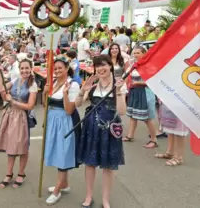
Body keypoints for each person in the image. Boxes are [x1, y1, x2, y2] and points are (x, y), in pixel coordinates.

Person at [75, 55, 127, 208]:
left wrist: (118, 91)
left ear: (110, 66)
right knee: (90, 164)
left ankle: (105, 200)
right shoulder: (93, 84)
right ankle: (89, 196)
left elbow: (122, 111)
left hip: (110, 128)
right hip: (91, 127)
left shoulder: (118, 84)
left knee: (108, 166)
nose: (100, 69)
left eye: (103, 65)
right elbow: (78, 104)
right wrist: (82, 90)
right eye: (97, 66)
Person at [42, 57, 81, 205]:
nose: (57, 71)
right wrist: (45, 93)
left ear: (66, 68)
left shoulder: (73, 84)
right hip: (53, 121)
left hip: (65, 122)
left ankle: (57, 190)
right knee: (58, 152)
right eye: (55, 68)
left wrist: (65, 93)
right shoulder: (52, 83)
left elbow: (69, 109)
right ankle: (64, 184)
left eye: (60, 68)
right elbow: (45, 105)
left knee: (63, 154)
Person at [0, 59, 38, 189]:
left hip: (22, 117)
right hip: (10, 115)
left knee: (23, 145)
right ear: (19, 69)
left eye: (27, 68)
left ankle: (21, 173)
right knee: (11, 144)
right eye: (22, 68)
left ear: (31, 68)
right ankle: (8, 173)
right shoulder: (15, 81)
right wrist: (0, 74)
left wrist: (13, 102)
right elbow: (0, 90)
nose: (24, 70)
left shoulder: (33, 84)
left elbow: (30, 105)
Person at [123, 46, 158, 149]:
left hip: (144, 92)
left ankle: (154, 139)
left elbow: (152, 81)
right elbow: (126, 75)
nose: (135, 55)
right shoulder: (134, 65)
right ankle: (130, 135)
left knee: (147, 118)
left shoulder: (148, 65)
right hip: (134, 91)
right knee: (133, 115)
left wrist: (138, 82)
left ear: (144, 53)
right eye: (134, 53)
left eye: (138, 53)